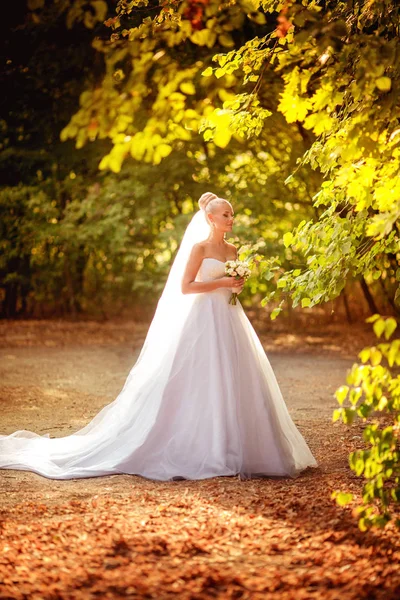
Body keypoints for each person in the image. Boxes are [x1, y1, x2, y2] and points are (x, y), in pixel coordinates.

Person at [0, 192, 317, 481]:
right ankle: (208, 447)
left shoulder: (233, 250)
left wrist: (237, 285)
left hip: (230, 318)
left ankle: (242, 447)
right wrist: (222, 284)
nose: (231, 219)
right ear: (210, 218)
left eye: (232, 214)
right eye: (225, 215)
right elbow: (186, 287)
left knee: (236, 376)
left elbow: (230, 283)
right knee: (201, 378)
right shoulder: (199, 248)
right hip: (203, 319)